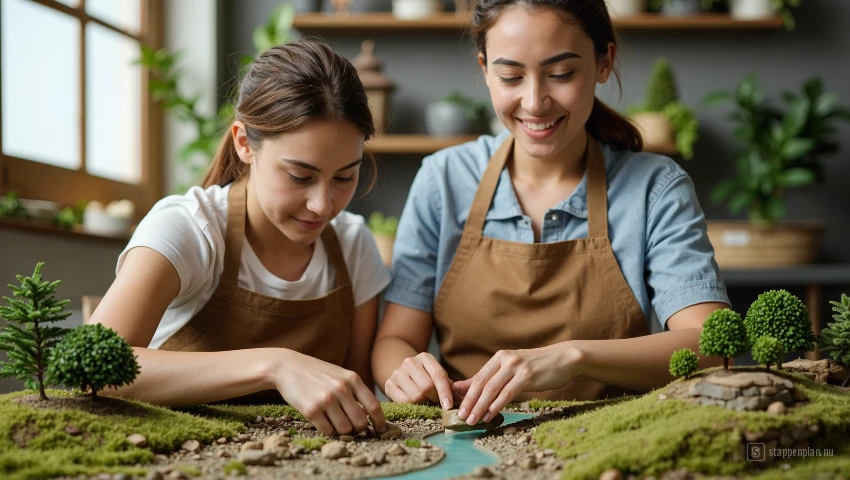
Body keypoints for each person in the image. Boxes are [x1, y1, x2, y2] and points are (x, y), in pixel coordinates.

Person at [372, 0, 730, 427]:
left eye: (561, 74)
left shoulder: (655, 188)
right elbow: (395, 340)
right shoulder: (443, 180)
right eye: (510, 76)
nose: (535, 101)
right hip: (466, 440)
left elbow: (713, 345)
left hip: (611, 437)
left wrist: (573, 356)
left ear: (603, 61)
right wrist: (406, 372)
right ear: (485, 68)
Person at [90, 41, 389, 436]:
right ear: (244, 143)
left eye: (344, 177)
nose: (322, 205)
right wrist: (275, 366)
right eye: (300, 176)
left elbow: (358, 390)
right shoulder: (187, 229)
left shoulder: (353, 245)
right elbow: (94, 369)